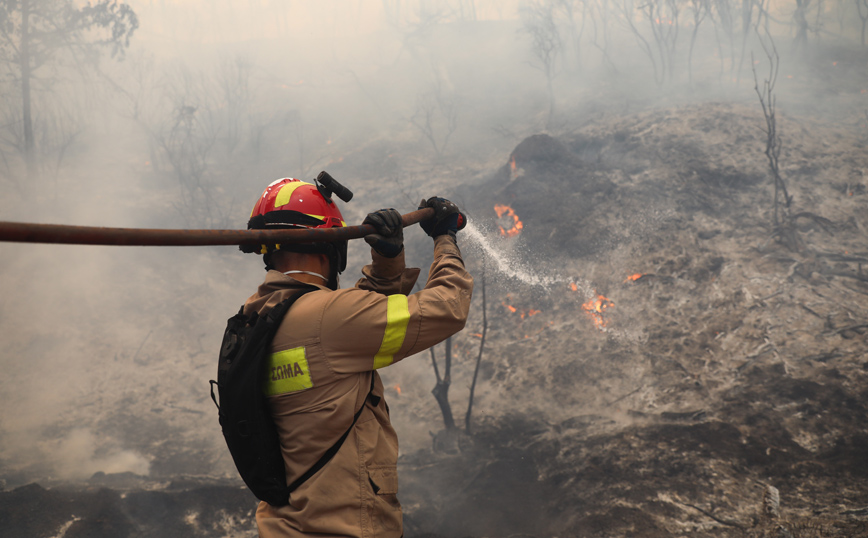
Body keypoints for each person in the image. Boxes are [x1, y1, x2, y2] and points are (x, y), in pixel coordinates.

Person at [239, 177, 473, 537]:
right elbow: (449, 306)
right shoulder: (328, 319)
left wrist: (387, 261)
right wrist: (445, 237)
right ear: (330, 245)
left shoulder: (254, 319)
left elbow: (346, 331)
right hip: (346, 528)